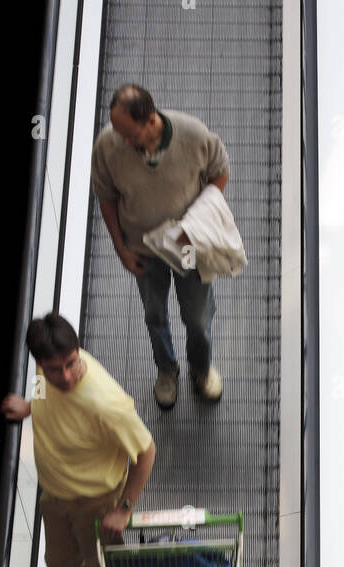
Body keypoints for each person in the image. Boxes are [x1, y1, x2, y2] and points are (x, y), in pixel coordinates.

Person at [0, 313, 156, 567]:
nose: (66, 376)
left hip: (96, 500)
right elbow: (44, 394)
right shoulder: (42, 374)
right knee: (58, 560)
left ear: (78, 350)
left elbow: (147, 453)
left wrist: (124, 509)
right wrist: (29, 408)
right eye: (55, 369)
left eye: (71, 364)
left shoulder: (106, 405)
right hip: (56, 492)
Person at [91, 83, 231, 409]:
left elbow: (220, 171)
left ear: (151, 120)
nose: (121, 140)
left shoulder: (194, 135)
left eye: (129, 134)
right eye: (117, 131)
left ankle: (200, 369)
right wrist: (121, 249)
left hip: (186, 244)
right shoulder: (108, 146)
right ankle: (167, 370)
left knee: (197, 317)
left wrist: (199, 219)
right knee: (154, 315)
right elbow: (107, 197)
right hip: (142, 248)